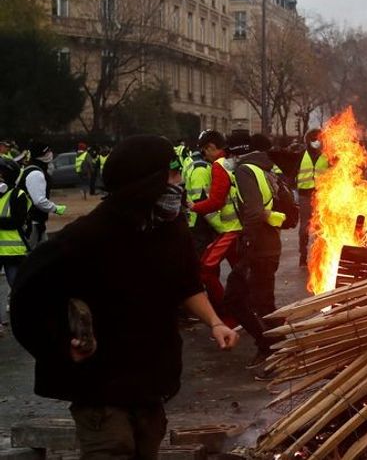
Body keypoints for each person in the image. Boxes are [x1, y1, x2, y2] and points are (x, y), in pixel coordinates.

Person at [10, 135, 238, 459]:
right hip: (102, 388)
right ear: (146, 181)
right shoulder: (88, 237)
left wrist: (215, 323)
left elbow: (185, 284)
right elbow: (25, 298)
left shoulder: (170, 230)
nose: (179, 180)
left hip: (151, 382)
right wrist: (58, 345)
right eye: (172, 173)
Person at [192, 131, 273, 367]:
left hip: (239, 233)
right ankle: (272, 344)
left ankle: (269, 345)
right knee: (258, 295)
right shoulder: (262, 166)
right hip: (259, 238)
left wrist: (193, 206)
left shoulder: (231, 168)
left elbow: (219, 201)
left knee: (215, 276)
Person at [235, 134, 286, 321]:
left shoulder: (245, 170)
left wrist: (247, 240)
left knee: (258, 298)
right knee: (264, 295)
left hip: (260, 243)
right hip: (272, 240)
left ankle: (271, 341)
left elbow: (254, 211)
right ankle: (272, 336)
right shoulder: (266, 167)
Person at [0, 157, 30, 327]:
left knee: (17, 287)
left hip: (13, 251)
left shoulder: (18, 195)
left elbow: (16, 222)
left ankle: (26, 319)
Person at [20, 143, 66, 247]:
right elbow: (39, 201)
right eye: (48, 152)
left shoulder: (34, 169)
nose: (50, 154)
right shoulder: (36, 173)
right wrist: (56, 208)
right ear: (41, 155)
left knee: (43, 252)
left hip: (36, 222)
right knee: (31, 254)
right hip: (32, 223)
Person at [296, 129, 329, 266]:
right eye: (314, 139)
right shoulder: (300, 155)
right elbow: (293, 172)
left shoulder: (327, 156)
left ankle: (319, 255)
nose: (317, 142)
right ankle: (303, 253)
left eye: (319, 139)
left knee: (321, 227)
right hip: (305, 194)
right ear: (308, 141)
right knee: (304, 227)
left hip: (322, 195)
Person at [183, 144, 214, 256]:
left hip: (194, 218)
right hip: (200, 219)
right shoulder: (201, 168)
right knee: (202, 254)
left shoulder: (193, 164)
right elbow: (201, 198)